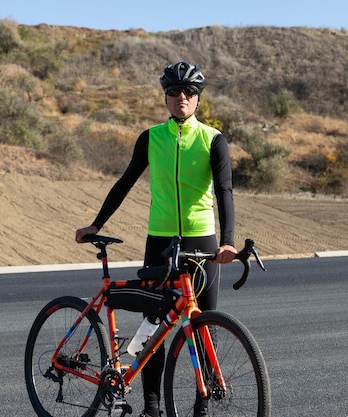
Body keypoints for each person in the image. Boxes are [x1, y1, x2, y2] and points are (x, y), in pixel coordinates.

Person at [75, 61, 237, 417]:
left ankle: (202, 404)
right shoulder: (151, 137)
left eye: (189, 92)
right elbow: (125, 182)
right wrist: (96, 223)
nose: (182, 97)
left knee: (203, 324)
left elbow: (225, 191)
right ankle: (151, 407)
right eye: (174, 92)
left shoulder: (213, 139)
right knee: (154, 323)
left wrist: (228, 240)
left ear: (198, 100)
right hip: (161, 240)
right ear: (165, 98)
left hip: (202, 241)